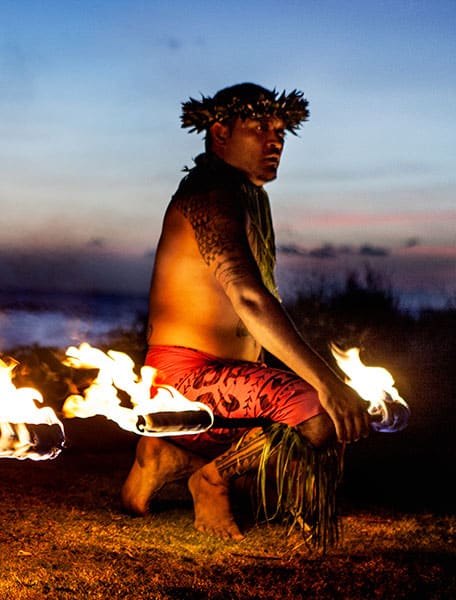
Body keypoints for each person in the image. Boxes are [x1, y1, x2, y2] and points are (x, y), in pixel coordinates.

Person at [121, 83, 371, 547]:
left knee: (309, 425)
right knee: (319, 411)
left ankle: (168, 458)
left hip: (232, 381)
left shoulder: (247, 197)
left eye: (279, 131)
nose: (274, 140)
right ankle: (210, 480)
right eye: (258, 128)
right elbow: (250, 298)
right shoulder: (211, 193)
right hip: (187, 378)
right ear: (219, 132)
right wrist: (327, 384)